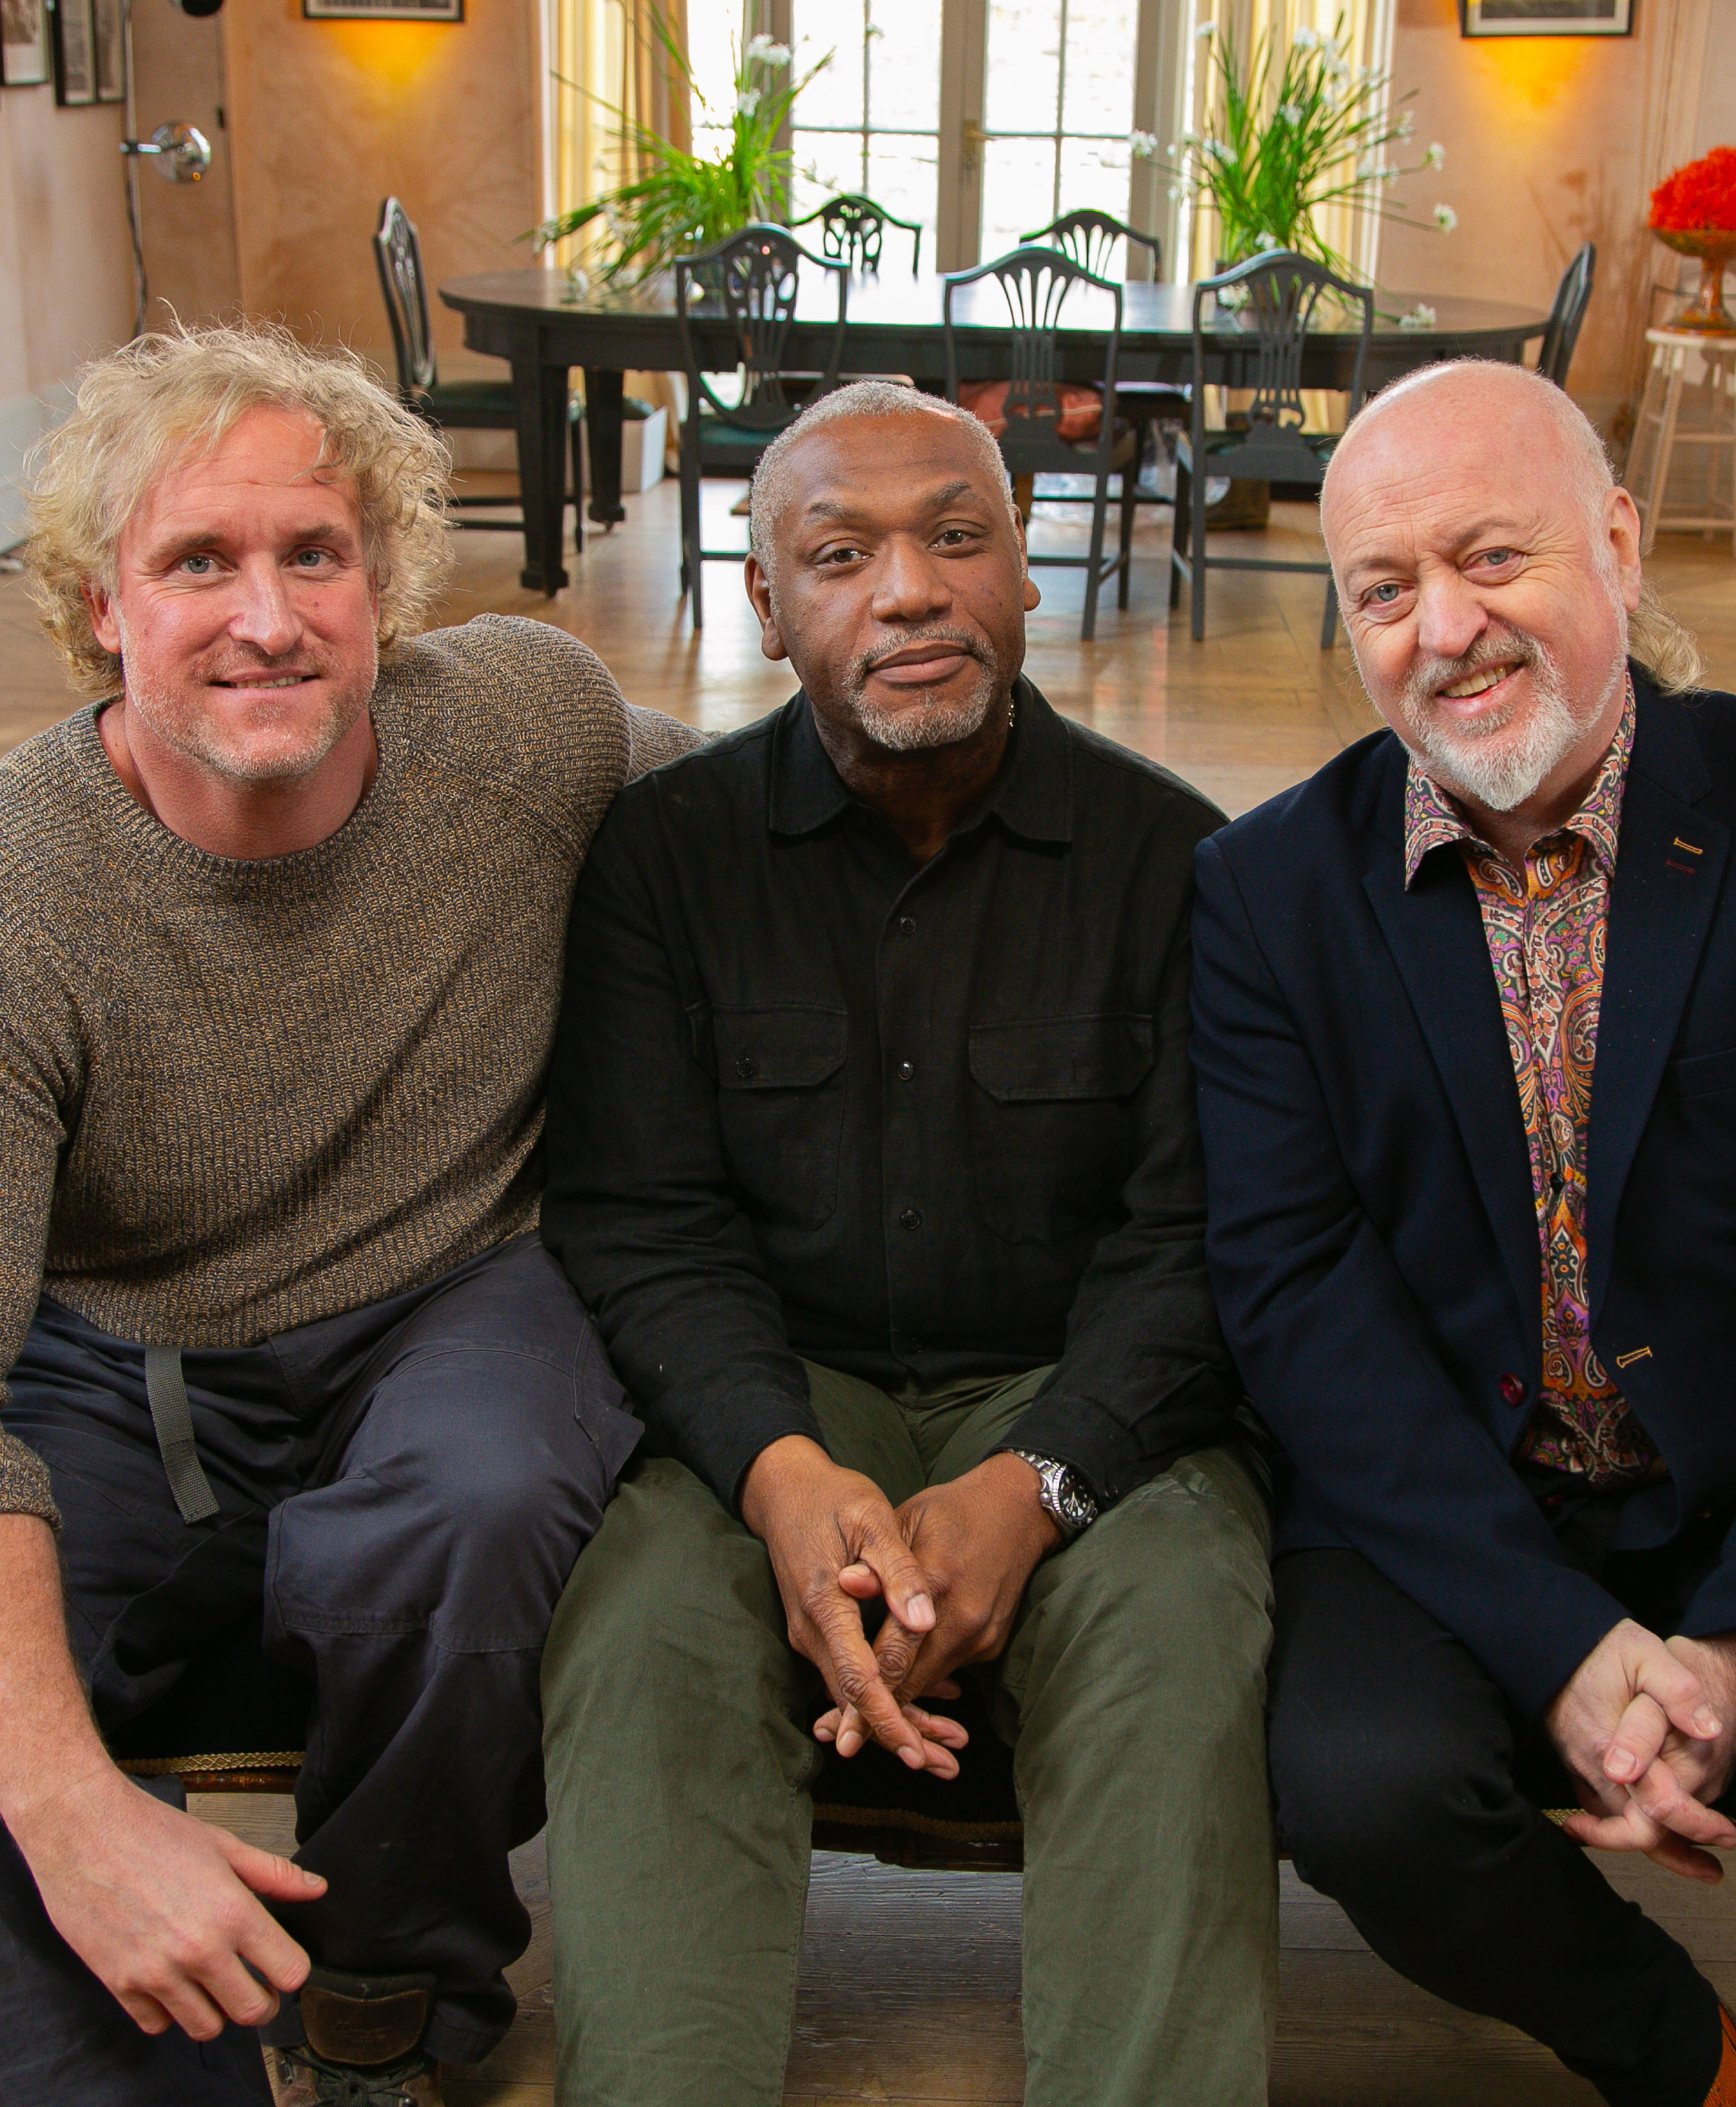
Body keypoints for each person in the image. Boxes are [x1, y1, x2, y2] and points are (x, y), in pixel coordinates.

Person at [0, 325, 696, 2107]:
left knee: (475, 1496)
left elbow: (770, 830)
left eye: (312, 555)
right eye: (197, 560)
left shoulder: (525, 723)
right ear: (100, 605)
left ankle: (387, 1983)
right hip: (116, 1346)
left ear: (385, 583)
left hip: (453, 1288)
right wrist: (70, 1811)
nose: (265, 616)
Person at [1191, 358, 1736, 2106]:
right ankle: (1677, 2056)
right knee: (1363, 1789)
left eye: (1494, 558)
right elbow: (1297, 1296)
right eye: (1384, 589)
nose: (1447, 629)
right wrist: (1552, 1644)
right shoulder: (1263, 894)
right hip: (1448, 1502)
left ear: (1620, 545)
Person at [536, 380, 1276, 2107]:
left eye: (960, 537)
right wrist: (780, 1473)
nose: (912, 590)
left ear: (1029, 576)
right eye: (841, 553)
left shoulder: (1182, 860)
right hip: (779, 1401)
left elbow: (1202, 1239)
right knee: (643, 1623)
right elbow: (644, 1221)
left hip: (1092, 1405)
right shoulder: (661, 859)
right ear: (767, 603)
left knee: (1176, 1635)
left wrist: (1041, 1481)